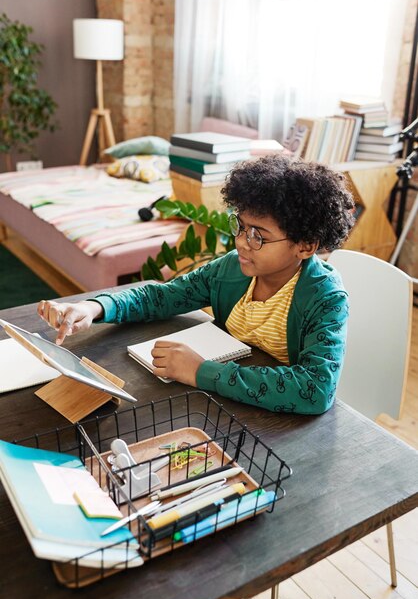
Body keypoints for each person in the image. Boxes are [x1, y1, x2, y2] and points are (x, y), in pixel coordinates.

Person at [38, 154, 355, 415]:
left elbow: (316, 389)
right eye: (241, 227)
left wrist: (201, 371)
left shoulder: (324, 297)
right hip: (224, 406)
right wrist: (94, 307)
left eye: (259, 236)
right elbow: (162, 297)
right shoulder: (231, 269)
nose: (242, 243)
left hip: (283, 424)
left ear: (305, 246)